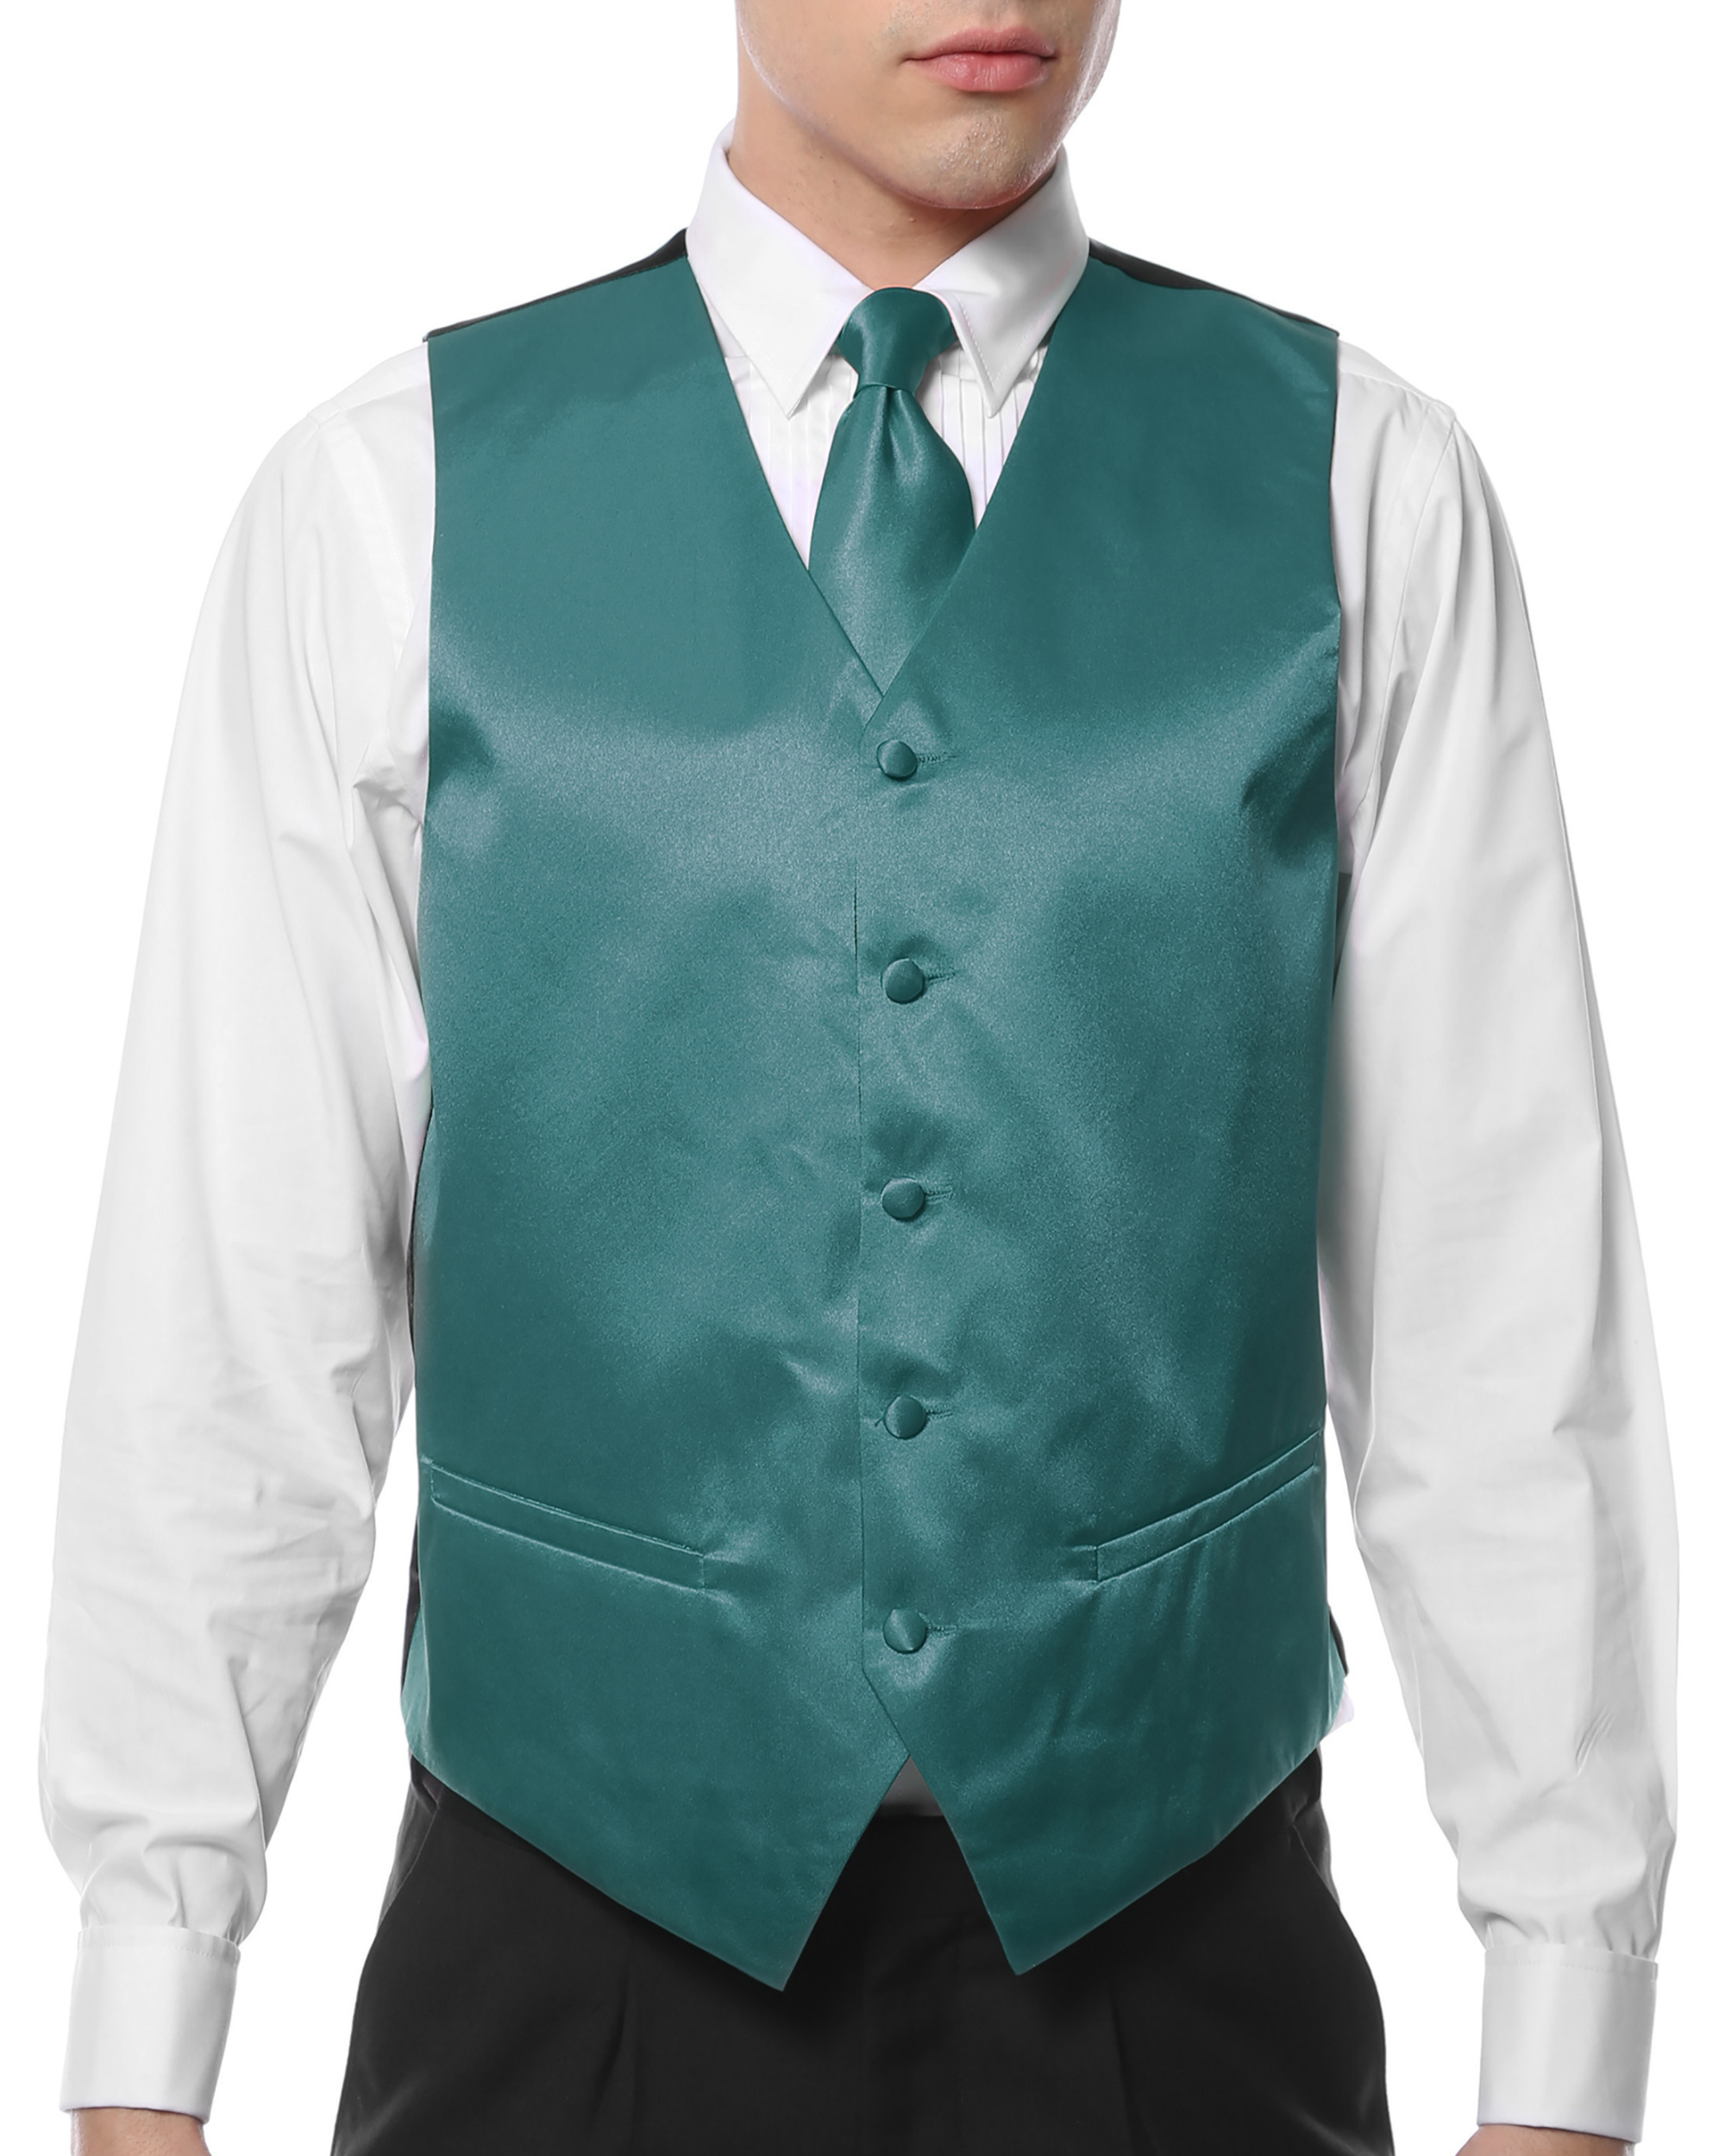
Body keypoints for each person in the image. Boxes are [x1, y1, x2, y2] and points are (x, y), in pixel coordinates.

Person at [44, 3, 1677, 2153]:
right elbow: (238, 1303)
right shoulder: (383, 497)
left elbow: (1494, 1290)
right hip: (564, 1976)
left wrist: (1564, 2034)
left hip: (1179, 1976)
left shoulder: (1361, 485)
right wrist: (144, 2028)